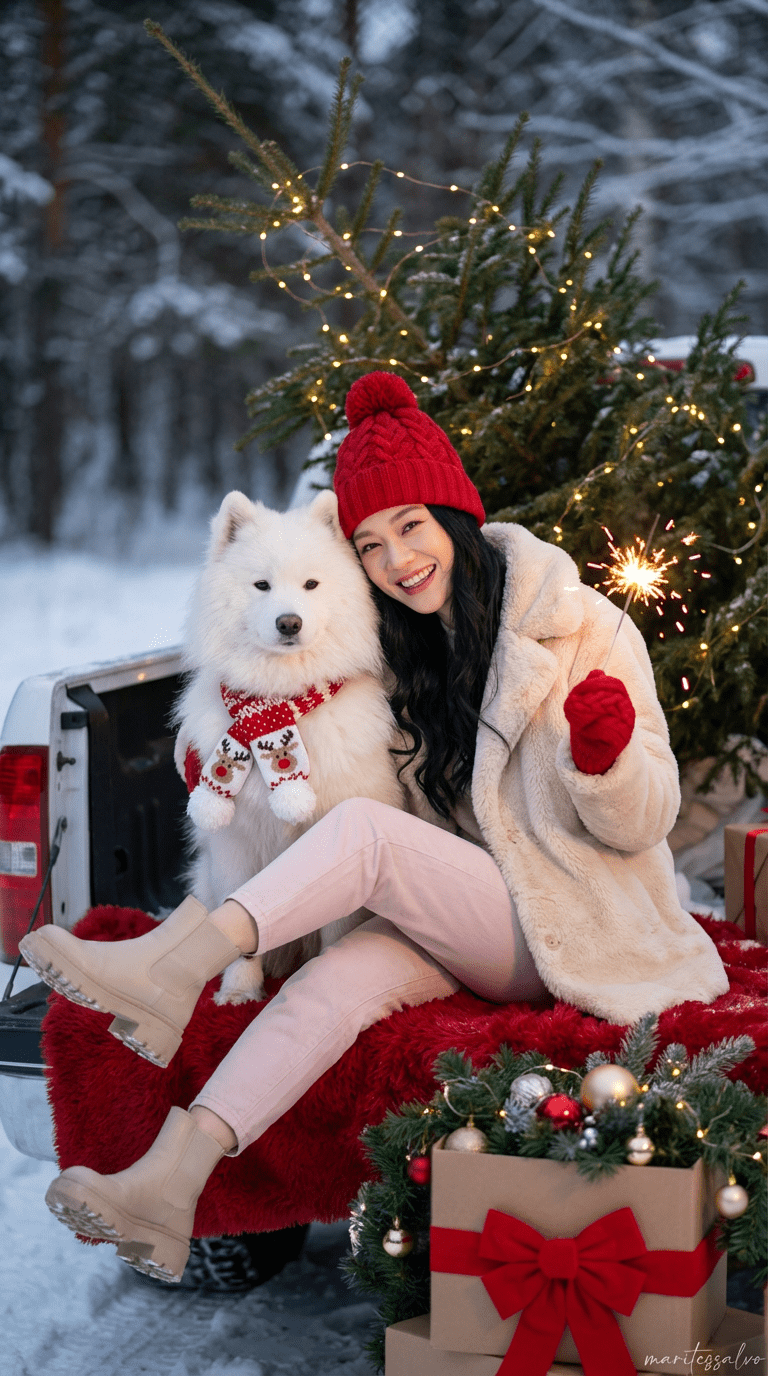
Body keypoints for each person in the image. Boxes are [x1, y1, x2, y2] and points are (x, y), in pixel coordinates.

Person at [21, 370, 728, 1284]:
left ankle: (169, 968)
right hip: (457, 915)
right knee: (331, 985)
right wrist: (223, 763)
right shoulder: (393, 639)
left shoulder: (578, 627)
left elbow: (646, 823)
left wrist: (607, 761)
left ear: (454, 517)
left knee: (364, 832)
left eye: (411, 526)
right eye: (370, 542)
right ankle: (169, 1184)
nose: (398, 558)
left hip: (568, 915)